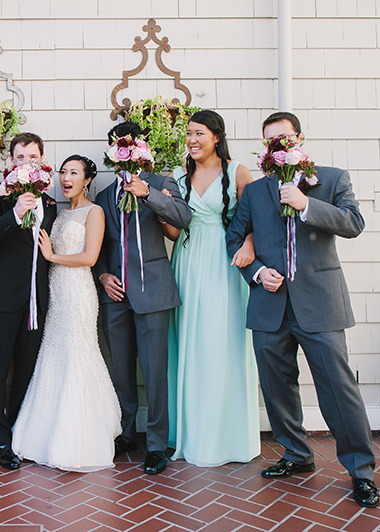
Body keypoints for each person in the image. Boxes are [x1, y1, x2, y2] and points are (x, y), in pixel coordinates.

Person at [226, 111, 379, 508]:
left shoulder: (331, 178)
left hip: (320, 303)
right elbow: (233, 238)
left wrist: (307, 204)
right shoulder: (256, 191)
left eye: (285, 138)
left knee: (338, 389)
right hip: (269, 306)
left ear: (298, 139)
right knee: (277, 389)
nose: (278, 145)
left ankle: (361, 471)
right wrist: (257, 272)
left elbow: (353, 222)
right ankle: (296, 454)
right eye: (270, 140)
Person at [161, 110, 260, 466]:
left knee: (222, 342)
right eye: (188, 134)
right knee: (189, 342)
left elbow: (254, 217)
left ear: (216, 136)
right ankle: (190, 432)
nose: (192, 140)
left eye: (199, 133)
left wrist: (248, 244)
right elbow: (174, 231)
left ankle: (227, 436)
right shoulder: (176, 176)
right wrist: (159, 212)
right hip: (187, 262)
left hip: (225, 262)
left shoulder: (238, 172)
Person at [12, 155, 122, 472]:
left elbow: (89, 258)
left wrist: (52, 255)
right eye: (63, 172)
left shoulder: (95, 211)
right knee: (54, 355)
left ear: (87, 179)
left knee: (78, 354)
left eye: (74, 172)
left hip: (78, 293)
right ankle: (44, 434)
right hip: (56, 295)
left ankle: (79, 437)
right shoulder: (58, 216)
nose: (66, 177)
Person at [94, 121, 192, 475]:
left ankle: (156, 444)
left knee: (154, 372)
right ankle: (126, 433)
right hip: (115, 294)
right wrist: (104, 275)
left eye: (132, 145)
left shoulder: (163, 183)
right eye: (119, 147)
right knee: (120, 370)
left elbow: (183, 218)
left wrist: (146, 192)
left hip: (154, 290)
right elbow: (101, 244)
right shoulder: (104, 194)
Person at [0, 132, 57, 470]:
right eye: (21, 158)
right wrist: (13, 214)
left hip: (37, 298)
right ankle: (2, 440)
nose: (27, 163)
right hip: (2, 295)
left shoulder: (48, 201)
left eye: (33, 157)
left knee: (26, 368)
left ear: (42, 160)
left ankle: (20, 431)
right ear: (11, 162)